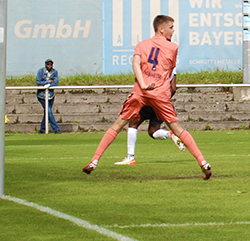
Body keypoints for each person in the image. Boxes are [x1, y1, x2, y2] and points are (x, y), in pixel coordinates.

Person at [82, 15, 212, 180]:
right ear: (161, 29)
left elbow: (135, 64)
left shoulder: (141, 45)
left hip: (140, 92)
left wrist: (143, 84)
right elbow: (170, 71)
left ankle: (94, 161)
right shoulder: (173, 47)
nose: (174, 30)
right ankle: (203, 163)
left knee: (117, 125)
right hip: (160, 93)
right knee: (178, 129)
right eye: (171, 27)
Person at [114, 68, 185, 166]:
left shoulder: (151, 62)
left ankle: (130, 157)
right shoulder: (172, 66)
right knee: (153, 131)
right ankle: (169, 134)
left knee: (133, 124)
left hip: (147, 99)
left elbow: (139, 80)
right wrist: (163, 100)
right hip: (161, 101)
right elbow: (173, 88)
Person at [36, 59, 61, 134]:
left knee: (47, 112)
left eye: (51, 64)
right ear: (45, 64)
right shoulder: (40, 71)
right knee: (48, 111)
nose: (49, 66)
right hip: (42, 96)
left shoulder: (55, 72)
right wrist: (49, 81)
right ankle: (56, 128)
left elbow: (56, 82)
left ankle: (42, 129)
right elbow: (38, 82)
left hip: (51, 96)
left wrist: (49, 85)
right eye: (48, 64)